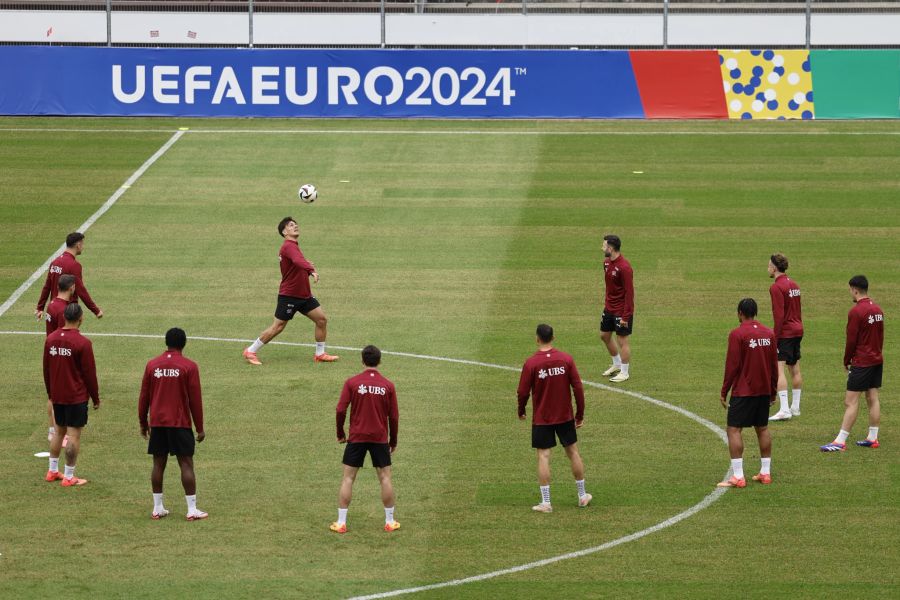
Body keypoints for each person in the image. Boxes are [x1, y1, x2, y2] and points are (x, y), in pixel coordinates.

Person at [243, 217, 338, 365]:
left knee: (321, 320)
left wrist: (306, 267)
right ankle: (250, 351)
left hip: (304, 295)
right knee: (278, 327)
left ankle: (320, 354)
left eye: (296, 224)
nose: (295, 226)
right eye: (291, 225)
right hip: (289, 296)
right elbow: (298, 262)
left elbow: (296, 265)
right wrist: (310, 269)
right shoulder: (288, 246)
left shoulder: (293, 246)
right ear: (284, 231)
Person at [517, 324, 591, 512]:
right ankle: (582, 496)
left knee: (543, 455)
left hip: (542, 418)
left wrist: (521, 410)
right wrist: (579, 414)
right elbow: (578, 387)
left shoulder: (531, 363)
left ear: (537, 339)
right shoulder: (566, 359)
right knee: (573, 452)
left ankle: (546, 502)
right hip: (565, 416)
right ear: (553, 337)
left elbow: (522, 391)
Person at [138, 327, 207, 520]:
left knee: (158, 464)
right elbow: (195, 399)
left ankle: (157, 507)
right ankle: (192, 509)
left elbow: (144, 396)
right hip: (180, 423)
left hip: (158, 423)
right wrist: (199, 428)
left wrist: (143, 423)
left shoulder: (152, 365)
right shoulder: (189, 366)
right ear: (183, 344)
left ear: (166, 342)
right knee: (186, 463)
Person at [331, 345, 399, 533]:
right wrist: (393, 441)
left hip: (357, 437)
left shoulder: (352, 383)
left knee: (348, 479)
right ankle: (390, 521)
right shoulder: (388, 385)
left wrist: (340, 433)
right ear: (380, 361)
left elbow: (340, 409)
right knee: (385, 478)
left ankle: (341, 522)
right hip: (379, 438)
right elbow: (393, 416)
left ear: (362, 361)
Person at [718, 298, 778, 488]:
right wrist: (773, 390)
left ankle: (738, 476)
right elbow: (773, 366)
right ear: (756, 313)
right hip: (763, 390)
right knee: (762, 428)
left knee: (734, 429)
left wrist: (724, 390)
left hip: (743, 391)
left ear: (740, 313)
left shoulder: (737, 334)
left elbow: (732, 365)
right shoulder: (769, 334)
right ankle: (765, 473)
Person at [821, 276, 884, 452]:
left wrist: (846, 360)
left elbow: (851, 340)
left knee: (851, 401)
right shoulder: (878, 310)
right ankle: (873, 437)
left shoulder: (856, 312)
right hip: (876, 359)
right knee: (873, 398)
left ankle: (840, 441)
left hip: (862, 362)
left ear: (854, 289)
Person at [42, 303, 100, 487]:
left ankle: (52, 471)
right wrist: (96, 398)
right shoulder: (83, 343)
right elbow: (90, 374)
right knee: (73, 436)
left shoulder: (50, 339)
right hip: (76, 397)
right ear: (81, 318)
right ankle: (68, 476)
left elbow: (46, 368)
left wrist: (50, 393)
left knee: (59, 432)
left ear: (64, 317)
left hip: (57, 395)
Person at [767, 253, 804, 421]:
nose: (767, 267)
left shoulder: (776, 287)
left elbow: (779, 315)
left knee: (778, 369)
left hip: (786, 332)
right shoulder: (794, 285)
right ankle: (795, 407)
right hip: (798, 329)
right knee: (794, 368)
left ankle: (784, 409)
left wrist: (775, 337)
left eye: (769, 264)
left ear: (774, 267)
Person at [35, 232, 103, 322]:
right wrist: (96, 310)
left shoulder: (55, 262)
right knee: (67, 335)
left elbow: (47, 287)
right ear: (78, 245)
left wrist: (40, 308)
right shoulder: (74, 265)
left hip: (52, 309)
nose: (83, 247)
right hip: (68, 312)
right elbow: (81, 290)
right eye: (82, 244)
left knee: (52, 336)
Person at [44, 274, 76, 445]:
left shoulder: (52, 304)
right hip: (60, 355)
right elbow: (63, 335)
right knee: (58, 396)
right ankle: (58, 432)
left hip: (51, 352)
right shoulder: (63, 309)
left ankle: (52, 430)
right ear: (71, 287)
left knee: (52, 395)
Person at [599, 234, 634, 383]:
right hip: (609, 308)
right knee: (604, 335)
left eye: (604, 245)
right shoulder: (606, 263)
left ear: (611, 248)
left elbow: (629, 293)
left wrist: (626, 316)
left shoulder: (625, 267)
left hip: (621, 311)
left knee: (622, 340)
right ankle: (616, 364)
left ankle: (624, 372)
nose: (602, 247)